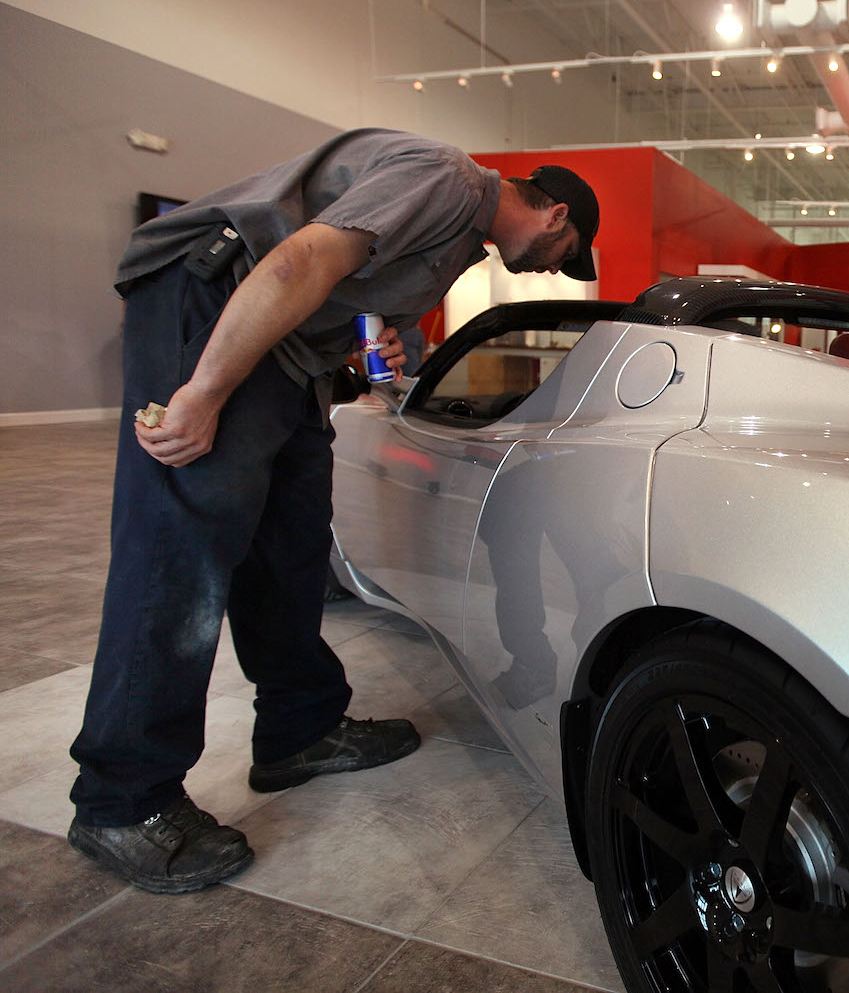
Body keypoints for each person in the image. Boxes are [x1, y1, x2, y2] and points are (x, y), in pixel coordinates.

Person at [67, 128, 600, 894]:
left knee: (291, 541)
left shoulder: (460, 239)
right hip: (215, 296)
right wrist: (204, 391)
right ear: (554, 218)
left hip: (287, 350)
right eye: (566, 252)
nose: (557, 268)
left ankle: (299, 727)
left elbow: (359, 292)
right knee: (178, 547)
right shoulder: (450, 179)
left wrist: (381, 343)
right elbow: (300, 261)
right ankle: (122, 798)